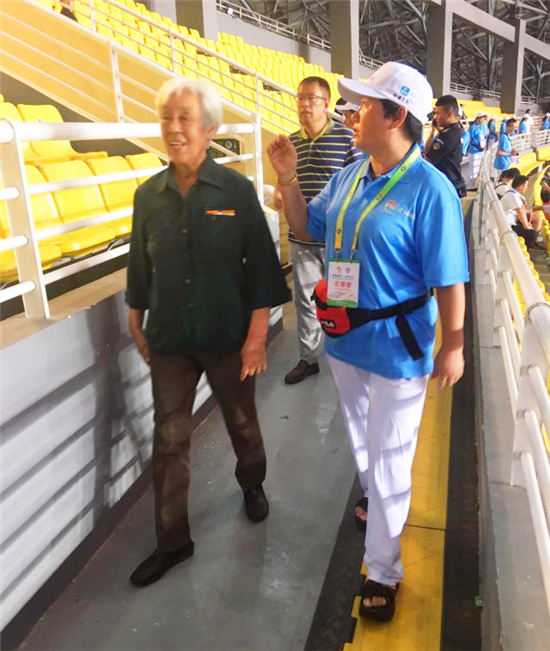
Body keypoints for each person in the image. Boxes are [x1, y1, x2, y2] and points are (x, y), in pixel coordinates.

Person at [268, 61, 469, 622]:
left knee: (389, 460)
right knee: (364, 446)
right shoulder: (351, 175)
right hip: (346, 342)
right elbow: (306, 227)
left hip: (399, 347)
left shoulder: (430, 190)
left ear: (397, 116)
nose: (351, 114)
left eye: (364, 106)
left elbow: (450, 279)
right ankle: (378, 504)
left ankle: (383, 568)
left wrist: (453, 344)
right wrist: (288, 177)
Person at [126, 78, 291, 587]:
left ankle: (252, 482)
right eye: (167, 117)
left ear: (210, 129)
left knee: (242, 422)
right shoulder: (148, 196)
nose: (174, 128)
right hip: (170, 337)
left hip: (227, 334)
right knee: (169, 439)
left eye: (185, 118)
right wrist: (135, 315)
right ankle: (173, 542)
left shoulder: (235, 192)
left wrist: (257, 338)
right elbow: (140, 266)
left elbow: (262, 270)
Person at [277, 76, 362, 385]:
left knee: (342, 298)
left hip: (338, 240)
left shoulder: (347, 138)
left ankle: (346, 354)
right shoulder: (290, 143)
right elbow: (283, 185)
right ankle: (308, 358)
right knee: (305, 300)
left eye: (311, 98)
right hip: (301, 238)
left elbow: (361, 183)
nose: (304, 104)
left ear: (326, 103)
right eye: (300, 98)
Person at [425, 94, 467, 197]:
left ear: (449, 114)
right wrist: (433, 132)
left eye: (438, 113)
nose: (436, 117)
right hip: (450, 185)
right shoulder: (451, 131)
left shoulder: (449, 135)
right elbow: (427, 152)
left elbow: (428, 159)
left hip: (447, 187)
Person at [500, 175, 542, 249]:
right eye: (526, 185)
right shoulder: (512, 195)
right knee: (532, 234)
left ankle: (531, 244)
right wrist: (526, 226)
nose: (527, 187)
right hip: (508, 225)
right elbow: (519, 211)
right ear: (521, 186)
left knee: (535, 219)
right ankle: (527, 248)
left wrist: (526, 223)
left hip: (513, 219)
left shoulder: (514, 194)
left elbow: (522, 209)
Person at [467, 112, 487, 190]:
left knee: (478, 168)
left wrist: (484, 146)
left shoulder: (483, 127)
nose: (482, 120)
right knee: (473, 169)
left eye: (483, 119)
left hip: (481, 150)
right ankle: (471, 185)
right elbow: (469, 139)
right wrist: (476, 146)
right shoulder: (473, 127)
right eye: (481, 118)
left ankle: (474, 184)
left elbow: (485, 137)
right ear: (477, 119)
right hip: (474, 150)